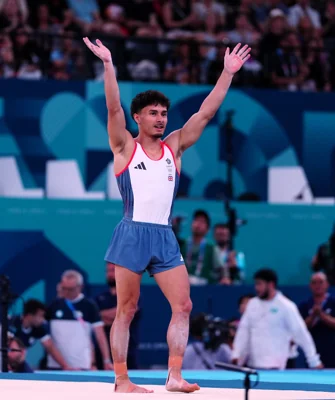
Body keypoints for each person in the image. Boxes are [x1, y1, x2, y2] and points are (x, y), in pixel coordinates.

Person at [83, 35, 251, 393]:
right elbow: (113, 109)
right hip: (132, 233)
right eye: (153, 114)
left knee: (184, 304)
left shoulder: (175, 145)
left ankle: (174, 375)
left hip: (164, 235)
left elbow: (206, 111)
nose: (160, 119)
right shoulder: (124, 145)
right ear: (138, 118)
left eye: (164, 114)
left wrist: (227, 74)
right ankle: (122, 380)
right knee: (126, 309)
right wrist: (109, 65)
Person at [232, 268, 323, 370]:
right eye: (256, 284)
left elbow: (301, 333)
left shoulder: (286, 306)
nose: (256, 288)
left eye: (259, 284)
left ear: (271, 284)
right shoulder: (252, 304)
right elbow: (243, 332)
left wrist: (314, 360)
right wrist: (237, 354)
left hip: (277, 368)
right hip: (253, 366)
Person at [94, 262, 141, 369]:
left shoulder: (132, 293)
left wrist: (104, 315)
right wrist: (120, 315)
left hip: (128, 350)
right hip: (104, 351)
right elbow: (96, 318)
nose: (110, 274)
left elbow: (129, 311)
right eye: (108, 271)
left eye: (112, 271)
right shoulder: (100, 297)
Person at [8, 299, 71, 370]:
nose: (43, 319)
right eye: (41, 316)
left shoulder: (40, 328)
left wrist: (65, 366)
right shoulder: (10, 323)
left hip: (16, 362)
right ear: (30, 316)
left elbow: (50, 347)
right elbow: (10, 347)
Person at [299, 272, 335, 368]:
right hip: (313, 351)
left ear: (327, 284)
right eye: (314, 283)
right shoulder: (304, 305)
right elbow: (299, 328)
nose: (317, 285)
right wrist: (313, 316)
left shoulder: (333, 302)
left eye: (321, 282)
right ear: (310, 286)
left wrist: (322, 315)